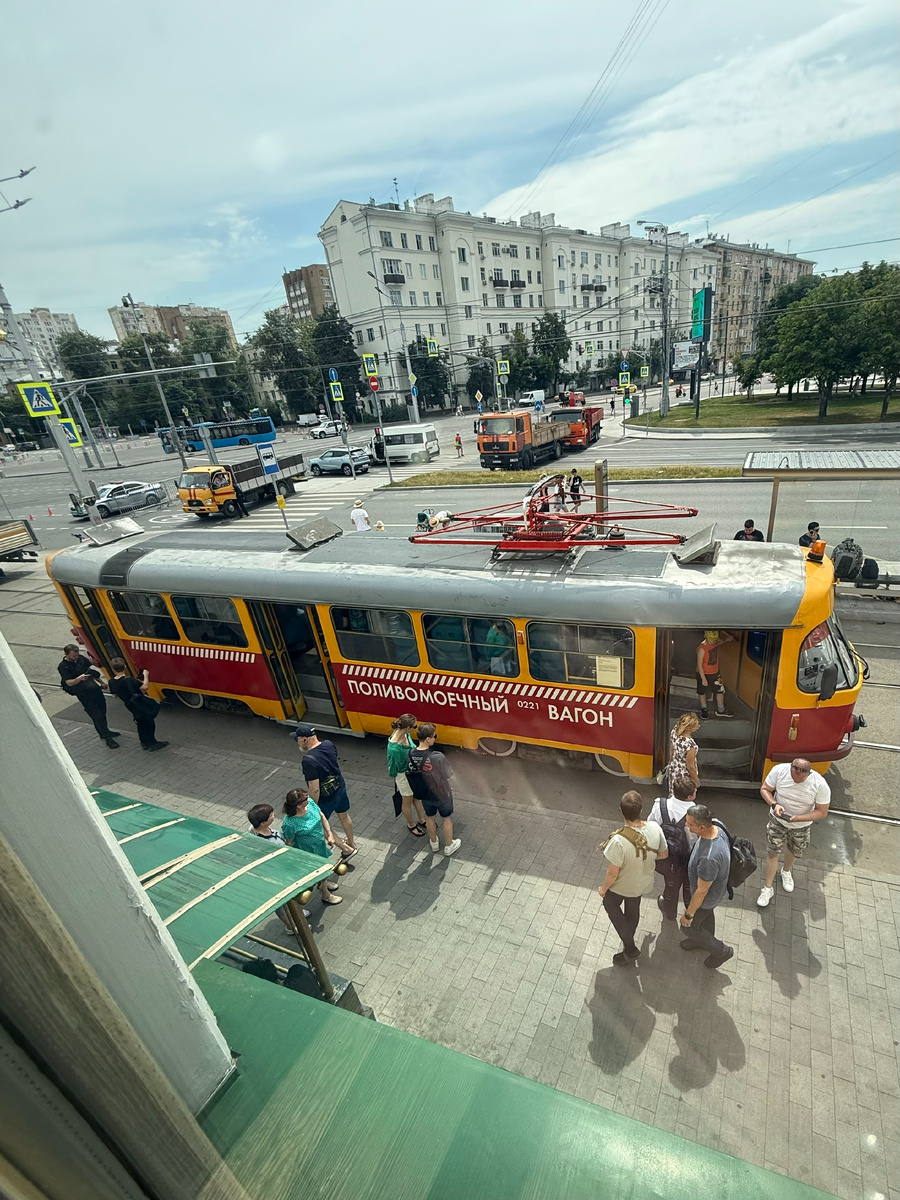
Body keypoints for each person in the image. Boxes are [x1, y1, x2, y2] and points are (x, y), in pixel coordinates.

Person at [597, 791, 667, 966]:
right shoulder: (655, 829)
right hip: (642, 883)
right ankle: (629, 943)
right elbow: (663, 854)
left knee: (609, 903)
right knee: (632, 908)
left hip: (621, 885)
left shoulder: (618, 841)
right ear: (641, 809)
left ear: (621, 811)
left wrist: (603, 888)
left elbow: (613, 873)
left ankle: (630, 947)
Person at [757, 758, 831, 907]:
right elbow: (765, 789)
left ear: (808, 773)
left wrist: (798, 818)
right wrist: (774, 804)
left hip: (801, 826)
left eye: (800, 778)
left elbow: (822, 812)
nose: (796, 780)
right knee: (773, 852)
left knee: (794, 850)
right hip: (777, 822)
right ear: (790, 767)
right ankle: (768, 888)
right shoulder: (779, 771)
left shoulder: (820, 784)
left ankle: (786, 871)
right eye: (793, 775)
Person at [679, 803, 734, 968]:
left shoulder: (709, 859)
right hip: (714, 894)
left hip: (706, 898)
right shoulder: (716, 824)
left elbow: (702, 891)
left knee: (688, 927)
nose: (686, 826)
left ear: (702, 827)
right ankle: (702, 941)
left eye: (690, 824)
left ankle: (721, 951)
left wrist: (688, 915)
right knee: (706, 917)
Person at [292, 723, 357, 859]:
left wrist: (311, 806)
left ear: (304, 739)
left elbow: (314, 788)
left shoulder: (308, 760)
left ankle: (347, 850)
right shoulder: (328, 744)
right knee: (344, 815)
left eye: (297, 739)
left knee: (320, 824)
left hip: (326, 798)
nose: (296, 742)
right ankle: (352, 843)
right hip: (340, 788)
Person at [281, 789, 343, 906]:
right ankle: (326, 895)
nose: (308, 798)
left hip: (319, 846)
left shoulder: (310, 803)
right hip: (307, 852)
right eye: (305, 798)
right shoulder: (289, 823)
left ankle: (323, 882)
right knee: (319, 870)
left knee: (323, 868)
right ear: (298, 805)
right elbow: (289, 841)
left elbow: (322, 816)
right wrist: (293, 858)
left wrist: (329, 834)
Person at [406, 722, 460, 856]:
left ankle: (434, 843)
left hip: (425, 794)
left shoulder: (410, 754)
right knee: (446, 819)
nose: (435, 738)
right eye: (434, 736)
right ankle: (448, 846)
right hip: (442, 794)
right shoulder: (437, 756)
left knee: (430, 818)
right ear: (428, 739)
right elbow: (448, 774)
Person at [648, 778, 698, 920]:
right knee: (688, 886)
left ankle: (669, 911)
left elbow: (651, 827)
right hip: (686, 858)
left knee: (671, 883)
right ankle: (690, 913)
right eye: (695, 791)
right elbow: (694, 839)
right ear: (689, 797)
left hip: (666, 856)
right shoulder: (693, 813)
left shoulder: (660, 805)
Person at [247, 803, 304, 926]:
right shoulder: (266, 843)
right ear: (263, 823)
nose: (273, 815)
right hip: (274, 875)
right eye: (271, 815)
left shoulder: (253, 829)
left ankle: (296, 912)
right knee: (280, 904)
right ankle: (292, 926)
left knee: (290, 896)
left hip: (283, 871)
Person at [57, 644, 119, 748]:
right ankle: (107, 737)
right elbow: (68, 682)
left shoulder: (81, 659)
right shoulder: (63, 666)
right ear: (66, 654)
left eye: (77, 655)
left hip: (94, 689)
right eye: (73, 656)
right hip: (84, 694)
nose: (76, 657)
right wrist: (79, 679)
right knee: (96, 715)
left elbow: (90, 672)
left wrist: (101, 682)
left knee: (102, 711)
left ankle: (105, 731)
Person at [108, 657, 168, 751]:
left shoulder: (111, 682)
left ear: (113, 669)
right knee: (149, 722)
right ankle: (153, 743)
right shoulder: (129, 680)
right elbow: (145, 687)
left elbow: (114, 695)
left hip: (129, 705)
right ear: (125, 667)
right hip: (139, 703)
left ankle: (144, 742)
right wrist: (146, 675)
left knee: (139, 722)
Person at [387, 713, 427, 837]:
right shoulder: (394, 748)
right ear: (408, 727)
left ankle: (422, 819)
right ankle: (411, 824)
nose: (415, 729)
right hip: (403, 775)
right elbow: (392, 768)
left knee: (417, 797)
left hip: (411, 772)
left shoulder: (405, 734)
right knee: (407, 800)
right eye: (414, 727)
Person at [696, 630, 735, 719]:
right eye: (712, 640)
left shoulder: (715, 642)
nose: (713, 641)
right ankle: (704, 709)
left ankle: (721, 710)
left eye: (715, 640)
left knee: (720, 691)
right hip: (703, 674)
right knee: (702, 692)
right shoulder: (702, 649)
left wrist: (727, 639)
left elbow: (720, 642)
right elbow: (699, 665)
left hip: (715, 673)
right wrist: (703, 679)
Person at [664, 712, 701, 791]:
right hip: (684, 777)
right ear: (689, 728)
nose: (698, 726)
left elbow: (672, 749)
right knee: (683, 797)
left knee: (672, 794)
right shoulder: (691, 745)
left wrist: (670, 762)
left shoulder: (675, 730)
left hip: (674, 770)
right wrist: (697, 781)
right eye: (696, 725)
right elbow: (690, 767)